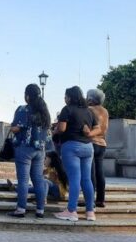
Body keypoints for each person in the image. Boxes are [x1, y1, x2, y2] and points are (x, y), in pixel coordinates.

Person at [53, 86, 100, 222]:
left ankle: (71, 211)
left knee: (74, 179)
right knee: (87, 180)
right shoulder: (89, 112)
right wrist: (89, 134)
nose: (64, 98)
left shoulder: (67, 109)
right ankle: (90, 212)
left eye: (66, 96)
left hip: (71, 146)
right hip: (88, 147)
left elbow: (62, 128)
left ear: (70, 97)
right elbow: (98, 129)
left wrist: (55, 130)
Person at [8, 84, 51, 219]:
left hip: (24, 148)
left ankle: (21, 209)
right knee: (38, 180)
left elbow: (15, 128)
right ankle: (40, 210)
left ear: (27, 95)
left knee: (23, 180)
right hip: (40, 150)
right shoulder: (44, 112)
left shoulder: (23, 110)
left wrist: (13, 127)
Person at [86, 88, 110, 208]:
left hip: (91, 142)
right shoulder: (105, 111)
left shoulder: (89, 110)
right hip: (102, 144)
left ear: (90, 99)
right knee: (100, 172)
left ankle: (90, 200)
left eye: (87, 97)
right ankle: (101, 199)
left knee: (91, 173)